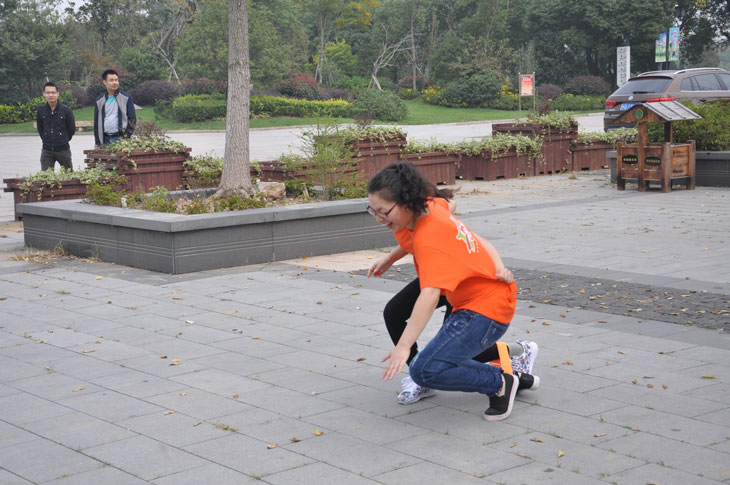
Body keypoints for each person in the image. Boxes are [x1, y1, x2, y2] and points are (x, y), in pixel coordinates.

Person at [368, 161, 522, 420]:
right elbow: (451, 208)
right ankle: (517, 378)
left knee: (425, 370)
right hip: (469, 294)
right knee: (434, 354)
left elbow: (429, 295)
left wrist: (403, 347)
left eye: (383, 212)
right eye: (372, 211)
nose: (378, 218)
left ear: (406, 203)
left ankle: (499, 383)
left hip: (485, 309)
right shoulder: (429, 207)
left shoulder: (430, 237)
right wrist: (390, 258)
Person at [36, 82, 75, 171]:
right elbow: (40, 129)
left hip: (63, 149)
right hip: (47, 150)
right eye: (48, 93)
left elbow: (71, 129)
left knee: (69, 175)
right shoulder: (41, 111)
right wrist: (46, 139)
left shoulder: (66, 110)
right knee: (46, 176)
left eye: (53, 92)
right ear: (44, 94)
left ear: (58, 94)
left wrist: (64, 139)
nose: (50, 95)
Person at [94, 69, 136, 146]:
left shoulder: (126, 98)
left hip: (121, 139)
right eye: (111, 80)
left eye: (116, 80)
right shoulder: (99, 100)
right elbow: (96, 123)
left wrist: (127, 137)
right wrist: (97, 143)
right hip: (105, 139)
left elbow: (132, 119)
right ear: (104, 82)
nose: (114, 83)